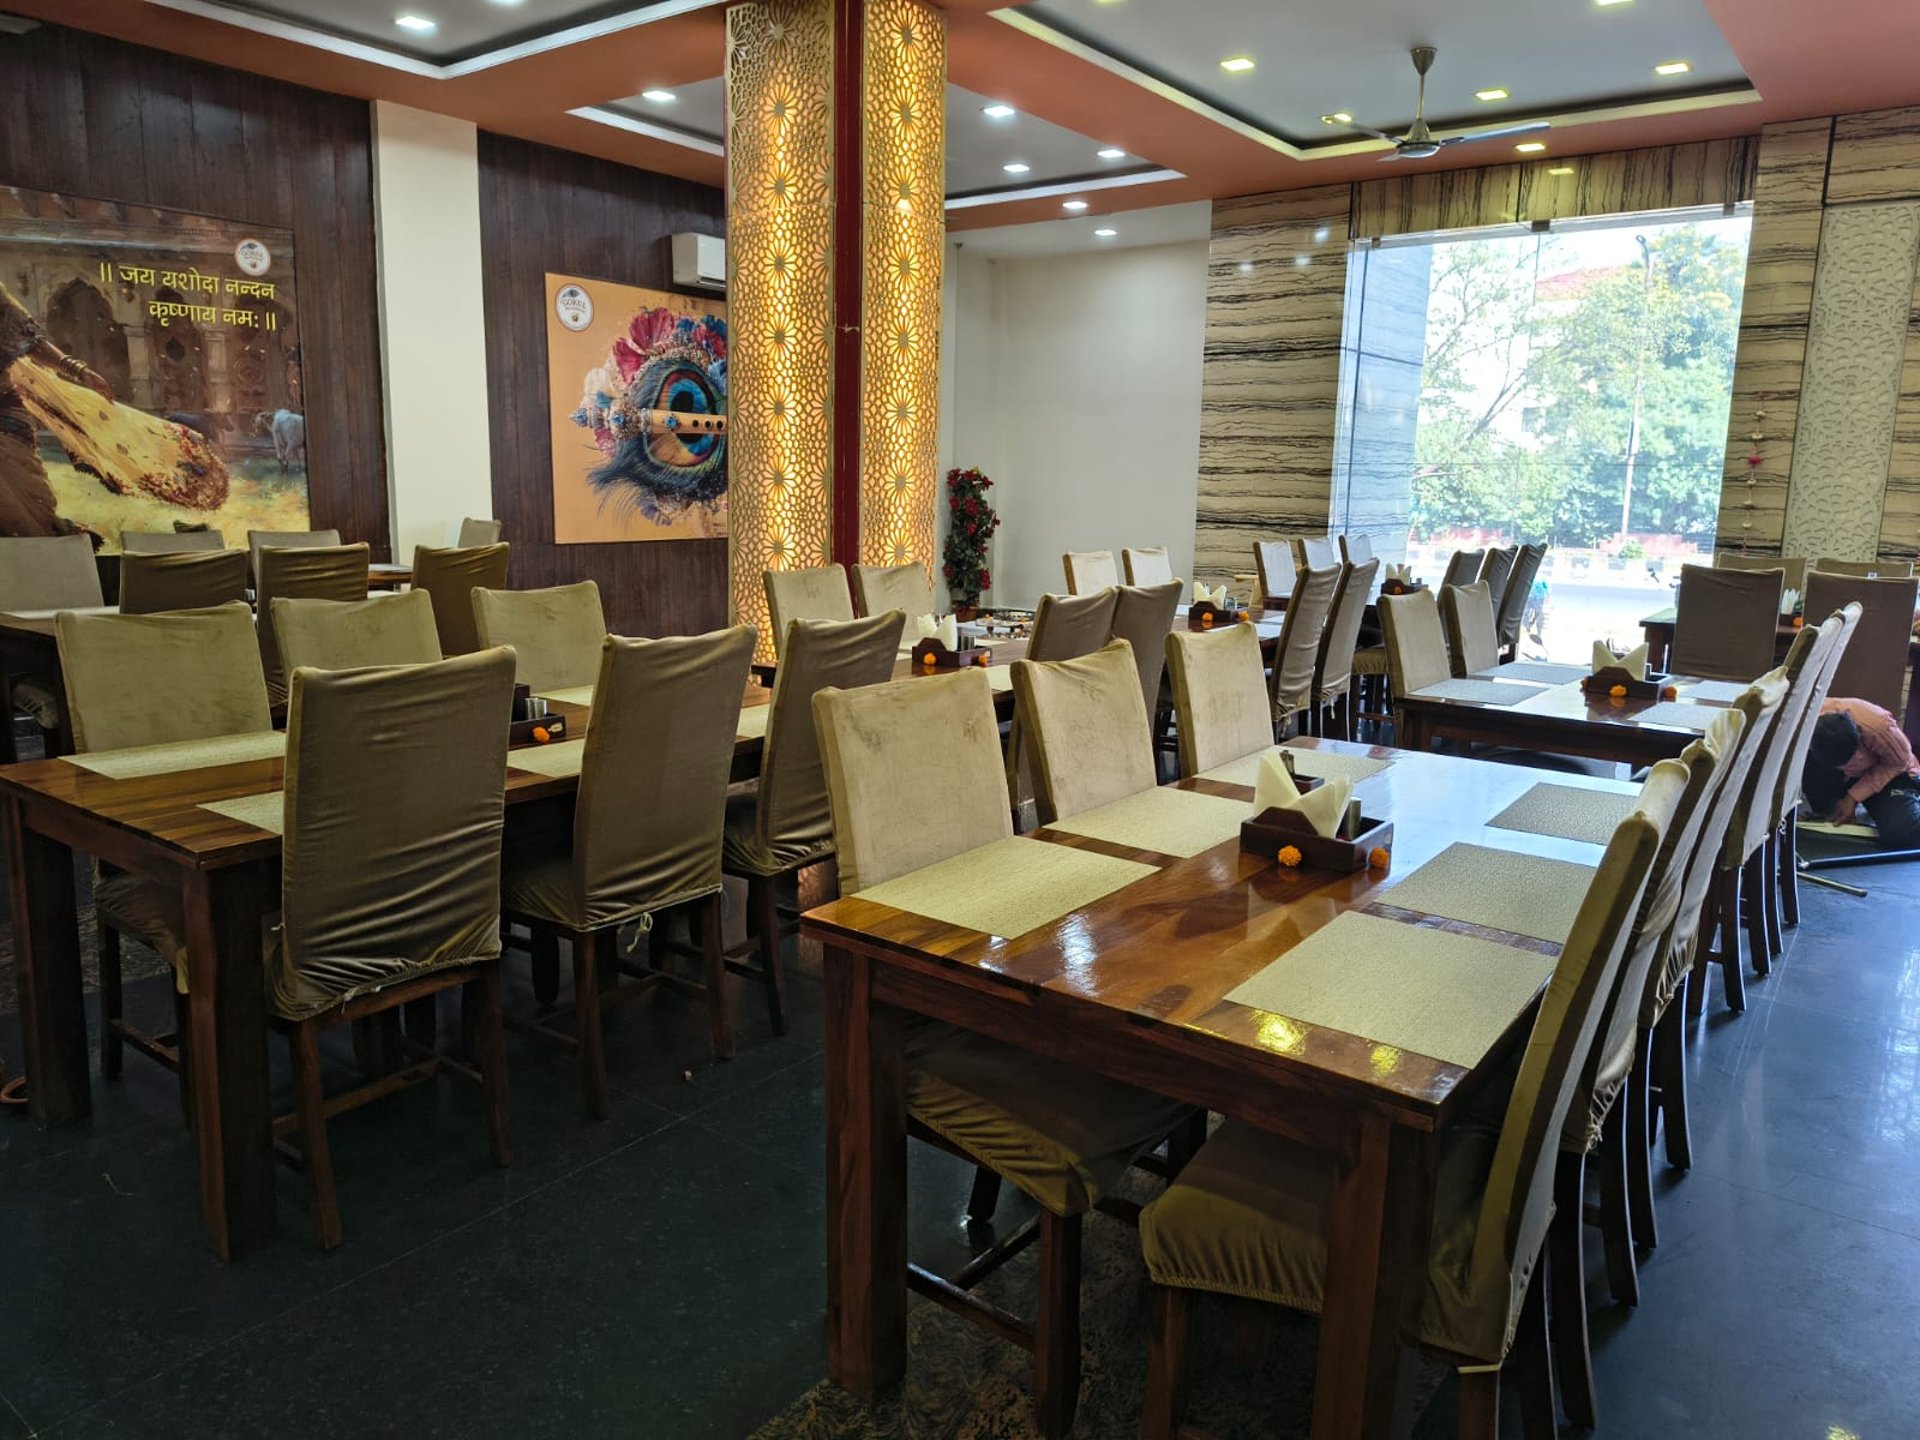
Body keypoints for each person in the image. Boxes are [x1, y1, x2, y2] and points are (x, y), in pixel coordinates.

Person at [0, 278, 112, 538]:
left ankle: (62, 548)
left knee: (24, 515)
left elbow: (31, 341)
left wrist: (76, 369)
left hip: (5, 418)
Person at [1803, 697, 1920, 849]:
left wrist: (1853, 797)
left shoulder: (1878, 725)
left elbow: (1898, 763)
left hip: (1891, 773)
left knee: (1902, 831)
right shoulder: (1802, 719)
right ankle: (1829, 808)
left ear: (1859, 735)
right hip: (1839, 773)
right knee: (1826, 814)